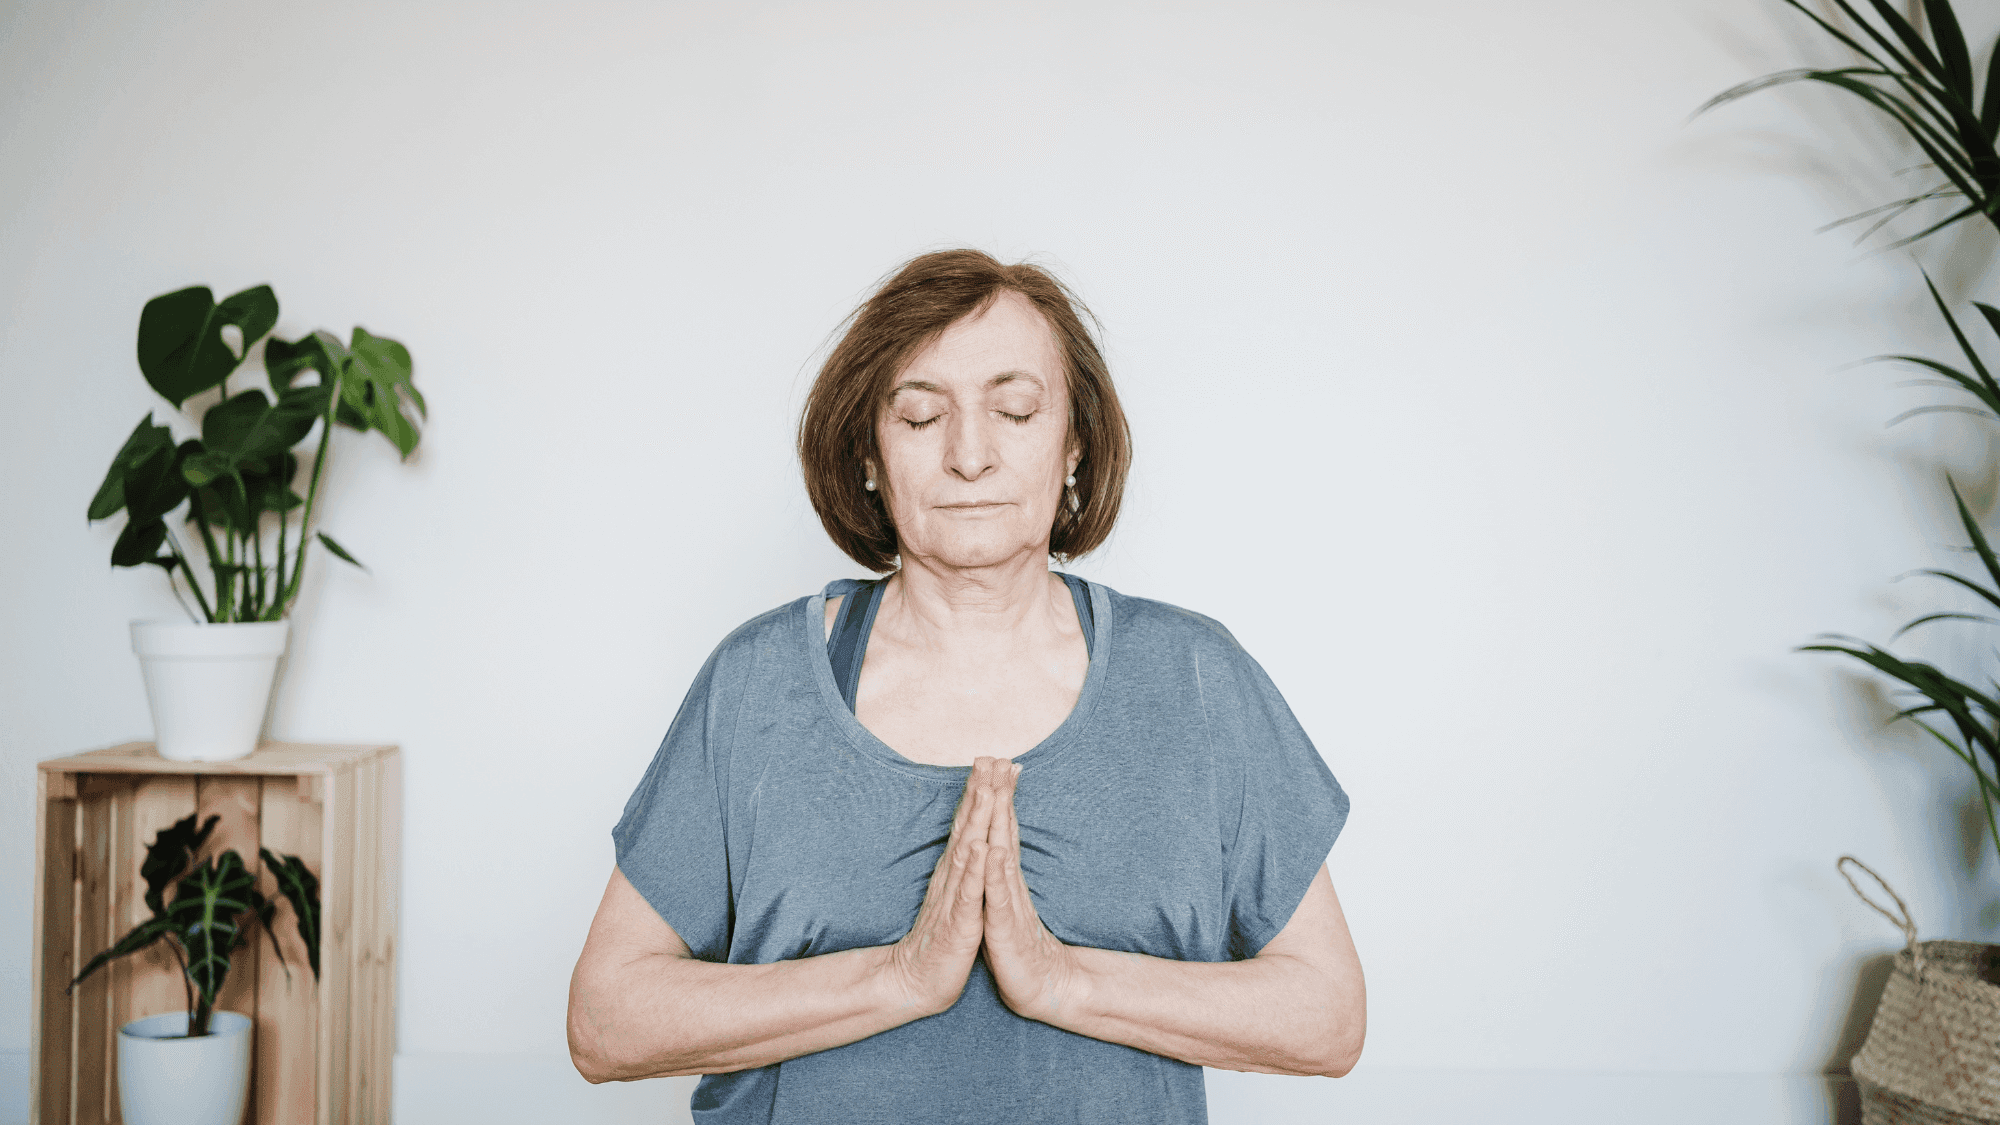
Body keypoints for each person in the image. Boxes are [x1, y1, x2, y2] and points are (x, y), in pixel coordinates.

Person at [567, 249, 1363, 1124]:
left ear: (1073, 448)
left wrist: (1065, 980)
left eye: (1015, 410)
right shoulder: (757, 682)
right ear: (869, 455)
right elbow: (606, 1020)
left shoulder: (1196, 678)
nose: (970, 455)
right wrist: (897, 976)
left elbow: (1326, 1017)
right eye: (919, 416)